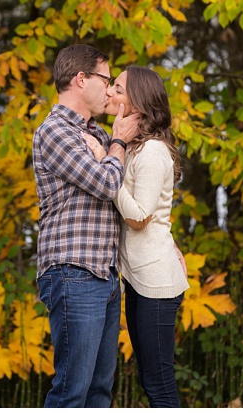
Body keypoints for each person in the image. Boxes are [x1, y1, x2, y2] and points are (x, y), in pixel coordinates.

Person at [32, 44, 139, 407]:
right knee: (72, 392)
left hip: (105, 275)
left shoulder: (98, 134)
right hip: (73, 271)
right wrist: (119, 142)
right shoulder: (55, 132)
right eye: (106, 80)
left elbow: (126, 192)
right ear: (81, 80)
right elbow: (108, 183)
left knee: (98, 393)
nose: (110, 90)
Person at [83, 65, 189, 407]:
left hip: (157, 282)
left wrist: (103, 160)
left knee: (159, 384)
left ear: (139, 102)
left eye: (118, 87)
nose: (110, 92)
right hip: (139, 279)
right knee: (150, 380)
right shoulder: (134, 148)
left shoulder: (152, 152)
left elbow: (141, 217)